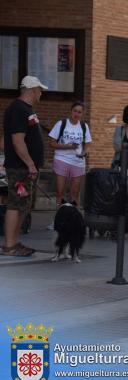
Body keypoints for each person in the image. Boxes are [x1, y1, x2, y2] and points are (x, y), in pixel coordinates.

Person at [2, 76, 47, 256]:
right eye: (39, 90)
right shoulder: (18, 109)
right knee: (15, 204)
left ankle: (15, 241)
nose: (41, 93)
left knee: (23, 205)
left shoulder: (26, 109)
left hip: (26, 167)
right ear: (32, 90)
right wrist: (30, 164)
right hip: (20, 167)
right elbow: (17, 141)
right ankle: (9, 245)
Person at [48, 101, 92, 207]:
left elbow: (88, 143)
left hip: (78, 161)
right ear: (71, 111)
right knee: (60, 192)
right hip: (61, 159)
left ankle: (74, 220)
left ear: (83, 114)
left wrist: (84, 152)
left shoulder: (84, 126)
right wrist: (68, 146)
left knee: (75, 193)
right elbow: (51, 143)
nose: (76, 114)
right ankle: (59, 219)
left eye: (79, 112)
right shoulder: (61, 124)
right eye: (75, 111)